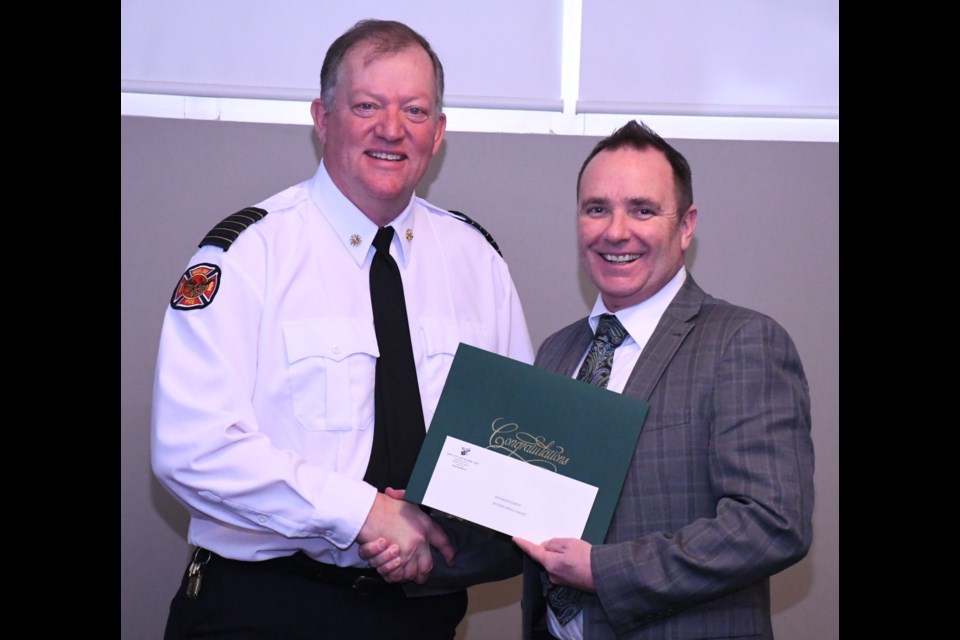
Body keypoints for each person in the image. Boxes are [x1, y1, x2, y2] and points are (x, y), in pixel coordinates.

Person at [151, 19, 533, 640]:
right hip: (265, 608)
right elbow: (192, 448)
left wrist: (449, 536)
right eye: (367, 106)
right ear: (322, 119)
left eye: (415, 109)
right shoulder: (248, 254)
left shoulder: (477, 261)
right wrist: (366, 515)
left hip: (421, 611)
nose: (392, 128)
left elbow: (509, 444)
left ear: (437, 134)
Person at [512, 120, 814, 639]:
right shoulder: (557, 352)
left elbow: (772, 523)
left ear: (687, 224)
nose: (616, 230)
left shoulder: (743, 342)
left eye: (643, 209)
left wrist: (603, 572)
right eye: (597, 208)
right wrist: (425, 521)